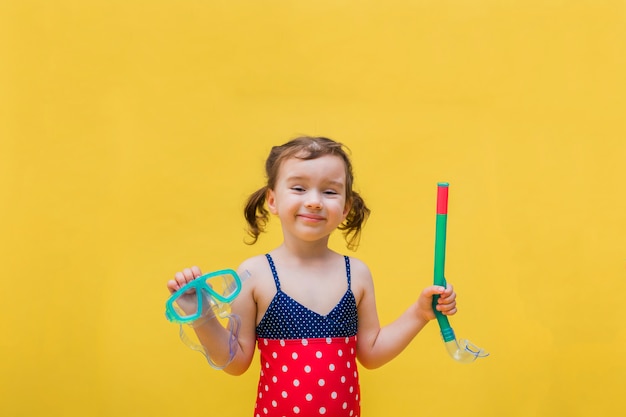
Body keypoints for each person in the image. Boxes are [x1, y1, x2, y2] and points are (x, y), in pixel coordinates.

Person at [167, 136, 457, 417]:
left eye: (330, 191)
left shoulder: (356, 274)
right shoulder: (254, 274)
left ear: (345, 208)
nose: (315, 202)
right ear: (272, 200)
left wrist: (420, 313)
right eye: (298, 188)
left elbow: (370, 353)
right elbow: (236, 361)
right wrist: (201, 315)